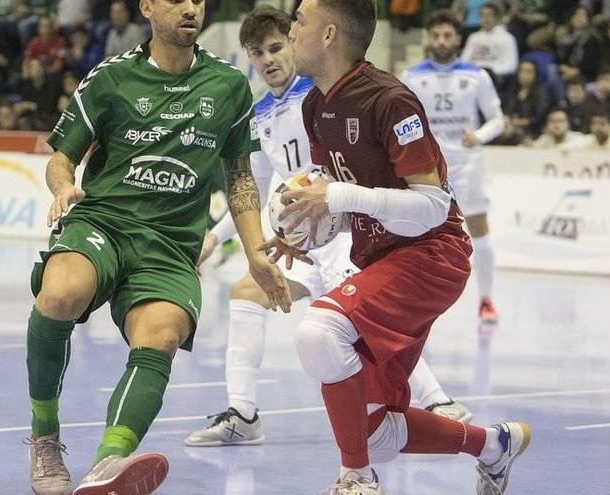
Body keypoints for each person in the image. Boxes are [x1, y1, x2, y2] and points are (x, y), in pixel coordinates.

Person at [23, 0, 291, 493]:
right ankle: (44, 436)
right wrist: (63, 185)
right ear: (147, 7)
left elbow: (239, 178)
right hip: (105, 220)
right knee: (61, 293)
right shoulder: (109, 78)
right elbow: (61, 157)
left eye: (198, 0)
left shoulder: (229, 86)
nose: (190, 8)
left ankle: (109, 463)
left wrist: (255, 252)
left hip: (171, 242)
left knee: (162, 334)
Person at [185, 5, 472, 449]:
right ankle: (243, 414)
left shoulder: (325, 89)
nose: (268, 59)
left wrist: (333, 205)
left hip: (346, 232)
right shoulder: (261, 114)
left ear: (315, 38)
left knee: (353, 319)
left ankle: (435, 401)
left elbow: (406, 195)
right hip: (308, 233)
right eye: (257, 53)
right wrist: (221, 237)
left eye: (277, 45)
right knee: (246, 294)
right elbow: (259, 188)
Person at [278, 1, 531, 493]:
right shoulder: (315, 105)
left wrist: (336, 195)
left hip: (432, 254)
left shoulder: (389, 100)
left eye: (300, 20)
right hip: (382, 257)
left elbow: (433, 207)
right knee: (372, 432)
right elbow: (332, 181)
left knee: (320, 331)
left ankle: (356, 479)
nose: (291, 28)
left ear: (329, 34)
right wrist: (297, 222)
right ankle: (493, 445)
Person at [402, 9, 503, 324]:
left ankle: (486, 300)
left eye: (448, 35)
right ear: (429, 39)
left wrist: (480, 135)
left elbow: (499, 119)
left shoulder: (477, 76)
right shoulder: (412, 76)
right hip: (428, 165)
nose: (442, 41)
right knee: (417, 233)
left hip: (467, 162)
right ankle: (415, 303)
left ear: (458, 38)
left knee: (478, 227)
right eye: (436, 35)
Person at [460, 2, 518, 93]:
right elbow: (464, 60)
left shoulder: (507, 38)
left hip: (494, 77)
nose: (485, 19)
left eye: (489, 15)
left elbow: (511, 65)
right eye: (482, 15)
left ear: (497, 18)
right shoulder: (474, 37)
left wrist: (490, 70)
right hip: (473, 76)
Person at [503, 60, 550, 138]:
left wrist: (520, 122)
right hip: (511, 127)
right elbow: (506, 111)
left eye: (528, 72)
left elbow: (540, 116)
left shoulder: (541, 92)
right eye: (521, 71)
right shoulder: (512, 91)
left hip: (533, 131)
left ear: (535, 75)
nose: (524, 75)